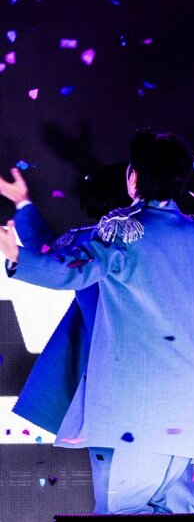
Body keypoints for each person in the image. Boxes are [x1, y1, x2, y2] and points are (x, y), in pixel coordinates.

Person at [0, 129, 194, 516]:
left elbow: (68, 268)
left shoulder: (119, 235)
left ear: (134, 177)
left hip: (132, 409)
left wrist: (19, 258)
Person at [1, 164, 128, 435]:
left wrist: (22, 206)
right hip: (124, 374)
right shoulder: (97, 240)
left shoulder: (93, 241)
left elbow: (49, 257)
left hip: (113, 376)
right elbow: (50, 257)